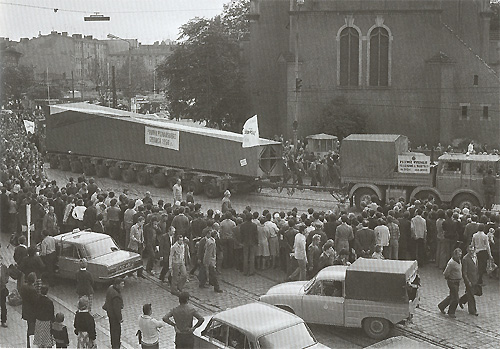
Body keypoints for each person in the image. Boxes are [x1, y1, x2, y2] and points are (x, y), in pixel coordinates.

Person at [438, 248, 463, 318]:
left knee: (452, 296)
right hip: (452, 281)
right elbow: (446, 273)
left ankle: (441, 306)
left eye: (460, 254)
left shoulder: (459, 261)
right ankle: (451, 312)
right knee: (456, 298)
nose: (459, 256)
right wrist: (448, 277)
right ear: (454, 254)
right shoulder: (451, 263)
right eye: (458, 255)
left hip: (457, 281)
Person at [103, 278, 125, 349]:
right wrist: (120, 319)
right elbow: (117, 309)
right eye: (122, 284)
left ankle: (114, 343)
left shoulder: (110, 288)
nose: (123, 285)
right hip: (114, 316)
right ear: (117, 285)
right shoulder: (116, 296)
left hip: (110, 313)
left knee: (112, 330)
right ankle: (116, 345)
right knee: (116, 331)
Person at [458, 244, 479, 316]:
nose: (471, 251)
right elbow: (464, 272)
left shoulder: (475, 257)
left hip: (475, 279)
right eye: (470, 250)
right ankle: (473, 310)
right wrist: (467, 281)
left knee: (470, 294)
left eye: (472, 250)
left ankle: (461, 300)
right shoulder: (465, 259)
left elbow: (476, 268)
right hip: (469, 280)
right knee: (471, 296)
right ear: (467, 250)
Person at [20, 272, 38, 347]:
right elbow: (35, 301)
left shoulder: (24, 287)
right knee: (32, 327)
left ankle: (28, 343)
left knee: (29, 326)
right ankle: (30, 344)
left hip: (25, 308)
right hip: (32, 311)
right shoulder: (33, 290)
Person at [0, 251, 8, 328]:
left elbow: (6, 275)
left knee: (3, 306)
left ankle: (4, 320)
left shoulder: (4, 267)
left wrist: (5, 280)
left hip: (2, 289)